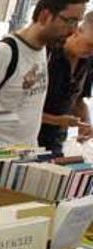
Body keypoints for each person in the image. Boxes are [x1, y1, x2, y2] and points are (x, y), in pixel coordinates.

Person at [0, 0, 86, 145]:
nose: (73, 30)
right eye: (70, 21)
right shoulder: (4, 52)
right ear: (44, 16)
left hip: (25, 155)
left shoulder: (43, 50)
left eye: (77, 22)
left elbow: (23, 112)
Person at [39, 11, 93, 154]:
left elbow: (78, 100)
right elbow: (19, 107)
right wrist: (56, 120)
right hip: (26, 137)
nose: (91, 52)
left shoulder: (88, 61)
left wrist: (86, 124)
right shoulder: (46, 54)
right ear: (77, 30)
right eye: (90, 44)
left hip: (55, 141)